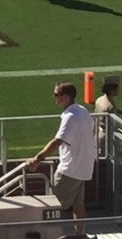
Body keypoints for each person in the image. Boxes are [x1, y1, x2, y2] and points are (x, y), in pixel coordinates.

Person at [24, 82, 96, 222]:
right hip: (84, 169)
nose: (54, 97)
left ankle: (53, 236)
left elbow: (57, 141)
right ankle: (80, 237)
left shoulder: (70, 116)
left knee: (52, 206)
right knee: (78, 205)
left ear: (66, 97)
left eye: (57, 94)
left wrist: (38, 158)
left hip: (69, 170)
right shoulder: (83, 111)